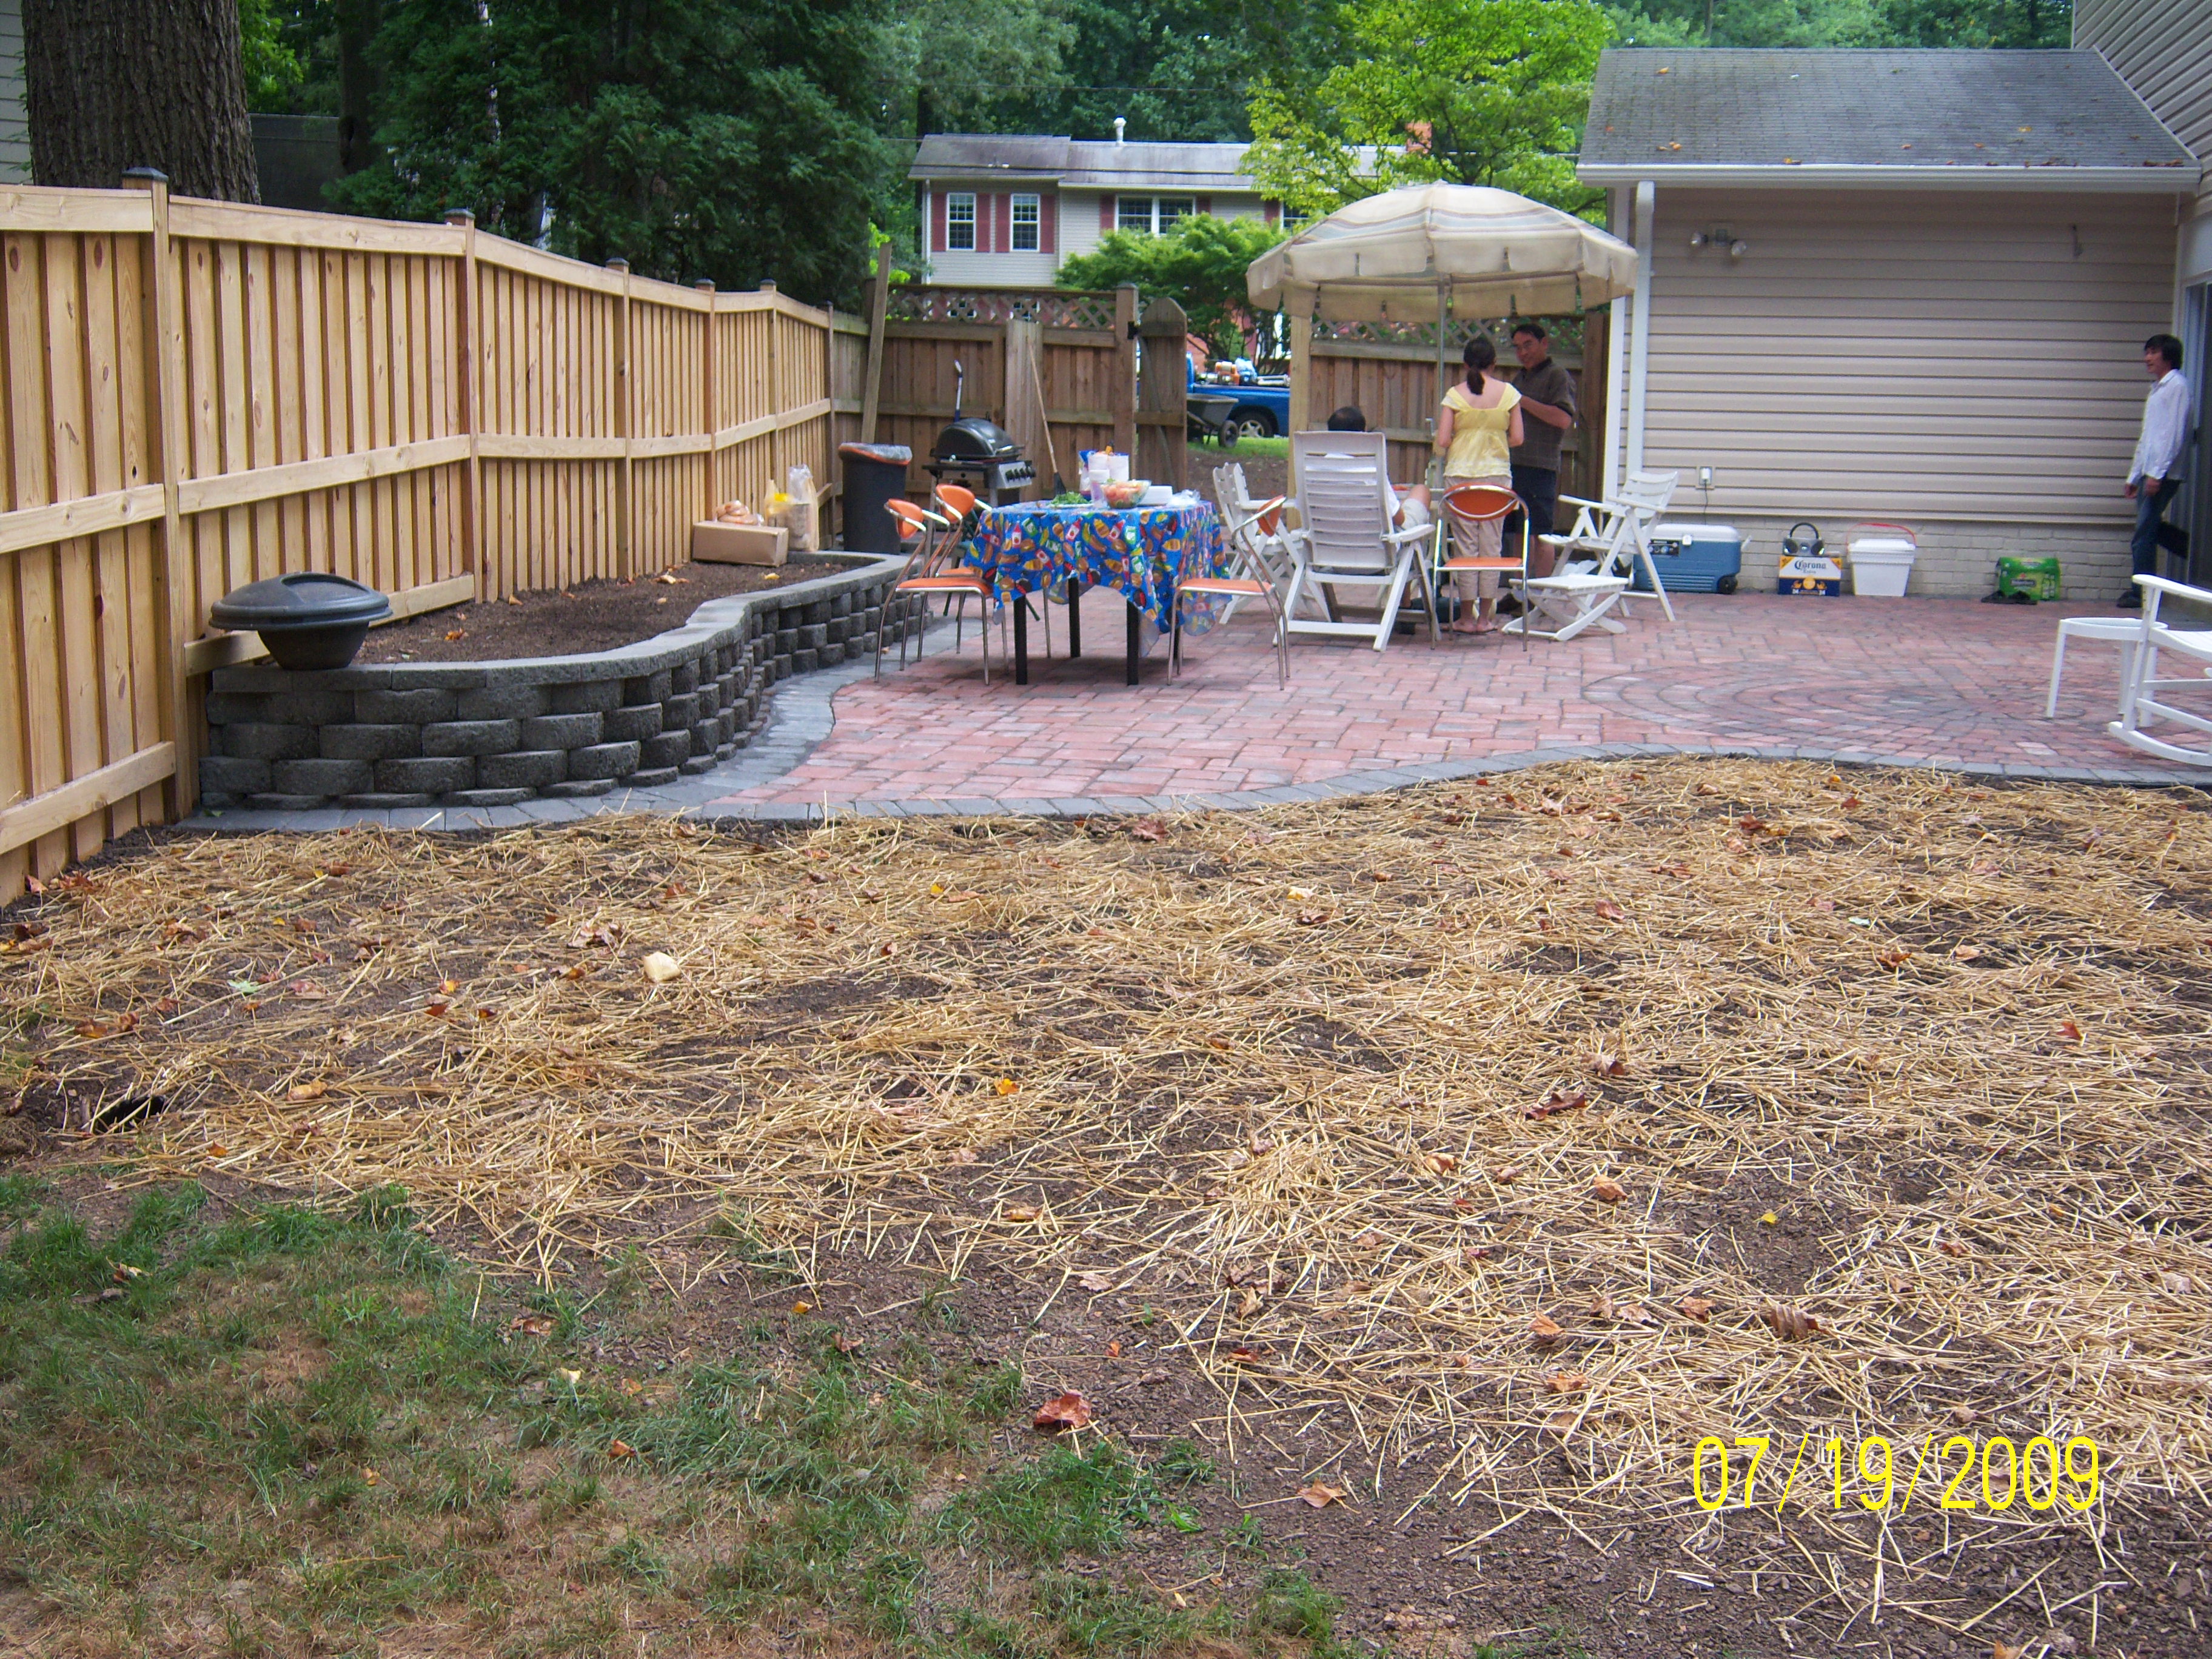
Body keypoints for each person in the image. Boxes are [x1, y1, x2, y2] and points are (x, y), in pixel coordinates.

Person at [1433, 338, 1523, 634]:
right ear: (1494, 363)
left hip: (1461, 476)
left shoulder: (1454, 396)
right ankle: (1485, 618)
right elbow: (1518, 438)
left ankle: (1466, 617)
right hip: (1497, 477)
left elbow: (1443, 440)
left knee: (1465, 547)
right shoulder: (1510, 394)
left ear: (1465, 365)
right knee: (1492, 546)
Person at [2120, 332, 2191, 608]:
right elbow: (2148, 437)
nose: (2147, 358)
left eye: (2153, 352)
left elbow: (2173, 435)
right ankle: (2196, 551)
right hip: (2149, 472)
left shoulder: (2177, 387)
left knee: (2143, 535)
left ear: (2168, 356)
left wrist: (2157, 475)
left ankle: (2141, 594)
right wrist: (2134, 475)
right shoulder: (2157, 389)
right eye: (2147, 352)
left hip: (2163, 474)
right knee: (2148, 530)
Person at [1506, 321, 1577, 551]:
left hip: (1540, 467)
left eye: (1528, 345)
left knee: (1541, 534)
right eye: (1518, 348)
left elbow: (1563, 419)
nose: (1523, 353)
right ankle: (1520, 576)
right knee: (1518, 531)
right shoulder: (1520, 378)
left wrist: (1524, 401)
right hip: (1514, 464)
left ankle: (1544, 576)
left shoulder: (1557, 376)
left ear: (1544, 343)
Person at [1324, 405, 1431, 530]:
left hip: (1326, 536)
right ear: (1361, 437)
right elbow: (1399, 519)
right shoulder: (1370, 470)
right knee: (1421, 490)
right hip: (1375, 538)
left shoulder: (1312, 470)